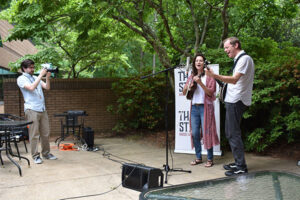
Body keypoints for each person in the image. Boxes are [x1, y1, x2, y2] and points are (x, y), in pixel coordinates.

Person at [205, 37, 254, 176]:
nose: (226, 50)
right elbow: (234, 82)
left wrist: (214, 75)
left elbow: (234, 80)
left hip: (237, 100)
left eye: (227, 47)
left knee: (233, 133)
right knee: (230, 132)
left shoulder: (244, 59)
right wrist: (214, 77)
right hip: (233, 99)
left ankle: (241, 167)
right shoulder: (238, 59)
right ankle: (238, 162)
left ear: (236, 45)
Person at [17, 59, 57, 164]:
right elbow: (31, 87)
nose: (32, 69)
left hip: (42, 109)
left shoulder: (35, 77)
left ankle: (46, 153)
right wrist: (41, 75)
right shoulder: (21, 79)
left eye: (33, 67)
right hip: (31, 109)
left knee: (45, 133)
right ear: (24, 68)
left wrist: (47, 77)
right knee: (34, 134)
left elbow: (47, 87)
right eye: (30, 67)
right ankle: (35, 156)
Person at [183, 53, 220, 167]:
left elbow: (211, 92)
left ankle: (210, 159)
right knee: (194, 133)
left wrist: (200, 83)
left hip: (205, 107)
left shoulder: (209, 76)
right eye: (196, 61)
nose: (198, 62)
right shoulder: (192, 75)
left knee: (207, 132)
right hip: (194, 107)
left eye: (200, 60)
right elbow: (185, 93)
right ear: (194, 64)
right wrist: (188, 86)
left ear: (204, 63)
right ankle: (198, 157)